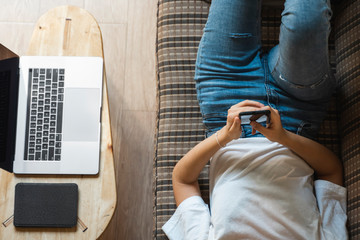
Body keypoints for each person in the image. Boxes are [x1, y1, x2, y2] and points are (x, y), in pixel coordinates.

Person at [162, 0, 348, 239]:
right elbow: (331, 170)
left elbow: (183, 178)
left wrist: (224, 136)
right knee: (306, 20)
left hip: (225, 98)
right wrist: (284, 137)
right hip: (297, 112)